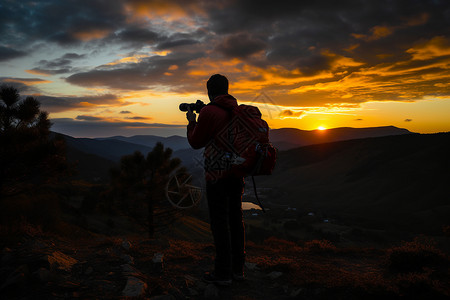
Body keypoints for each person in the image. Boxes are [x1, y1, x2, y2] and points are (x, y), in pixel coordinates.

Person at [186, 74, 245, 286]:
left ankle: (222, 274)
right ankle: (238, 270)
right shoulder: (237, 110)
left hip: (216, 174)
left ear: (209, 91)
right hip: (238, 171)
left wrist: (193, 122)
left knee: (219, 222)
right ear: (227, 89)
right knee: (235, 220)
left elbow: (196, 142)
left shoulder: (210, 111)